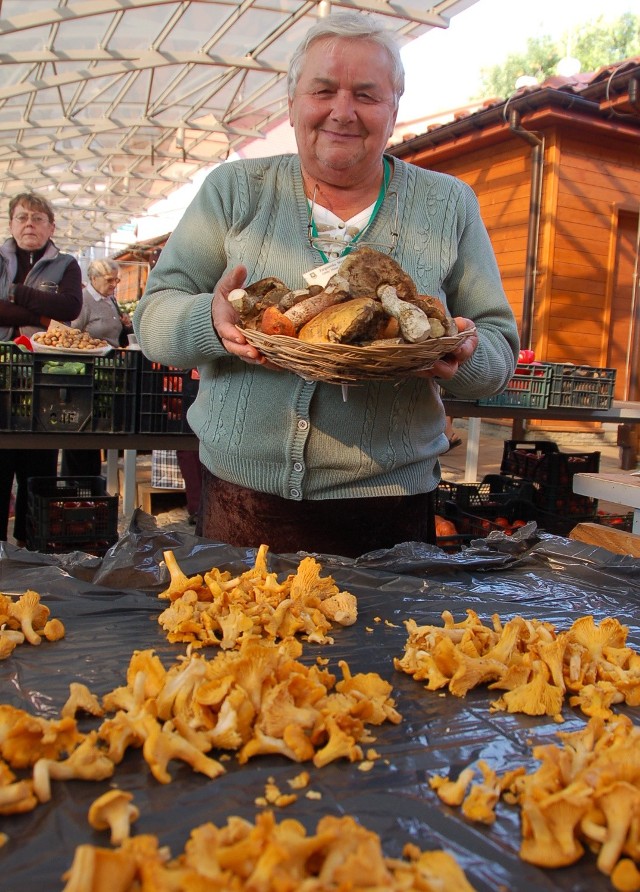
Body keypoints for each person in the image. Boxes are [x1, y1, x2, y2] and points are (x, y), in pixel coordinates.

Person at [134, 12, 519, 558]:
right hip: (245, 499)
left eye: (366, 94)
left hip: (388, 508)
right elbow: (154, 317)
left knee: (384, 642)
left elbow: (500, 347)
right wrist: (211, 323)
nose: (343, 111)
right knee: (250, 638)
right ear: (292, 103)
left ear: (393, 109)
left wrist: (463, 358)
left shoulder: (448, 204)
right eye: (323, 91)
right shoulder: (236, 190)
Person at [0, 192, 83, 547]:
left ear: (51, 226)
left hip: (46, 374)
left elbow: (69, 307)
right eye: (21, 218)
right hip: (3, 371)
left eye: (37, 218)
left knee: (40, 459)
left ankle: (32, 544)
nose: (29, 224)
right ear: (10, 224)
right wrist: (39, 315)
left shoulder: (66, 264)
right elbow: (54, 313)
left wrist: (15, 295)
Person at [60, 258, 132, 478]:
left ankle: (92, 480)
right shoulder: (83, 301)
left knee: (98, 432)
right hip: (86, 375)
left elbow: (114, 334)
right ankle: (76, 481)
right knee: (82, 433)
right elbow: (70, 336)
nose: (114, 284)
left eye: (116, 279)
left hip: (109, 373)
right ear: (93, 278)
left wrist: (126, 325)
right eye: (110, 279)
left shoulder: (110, 300)